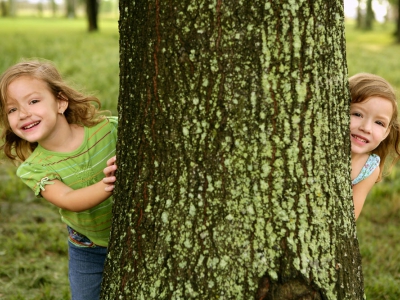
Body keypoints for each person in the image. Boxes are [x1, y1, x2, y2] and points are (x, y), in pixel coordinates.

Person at [0, 59, 118, 300]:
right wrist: (109, 184)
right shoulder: (34, 168)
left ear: (60, 102)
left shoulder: (107, 130)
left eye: (33, 101)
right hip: (88, 247)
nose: (23, 114)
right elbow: (67, 198)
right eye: (12, 110)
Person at [349, 73, 400, 220]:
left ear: (386, 132)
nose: (366, 128)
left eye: (379, 123)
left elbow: (350, 217)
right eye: (357, 114)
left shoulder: (369, 168)